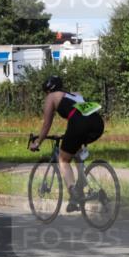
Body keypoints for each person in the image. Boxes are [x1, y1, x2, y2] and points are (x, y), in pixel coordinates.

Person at [29, 75, 105, 212]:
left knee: (63, 159)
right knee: (75, 153)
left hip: (79, 124)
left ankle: (74, 195)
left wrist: (38, 142)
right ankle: (81, 191)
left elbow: (46, 124)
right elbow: (79, 113)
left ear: (47, 90)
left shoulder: (51, 97)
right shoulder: (75, 94)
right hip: (96, 123)